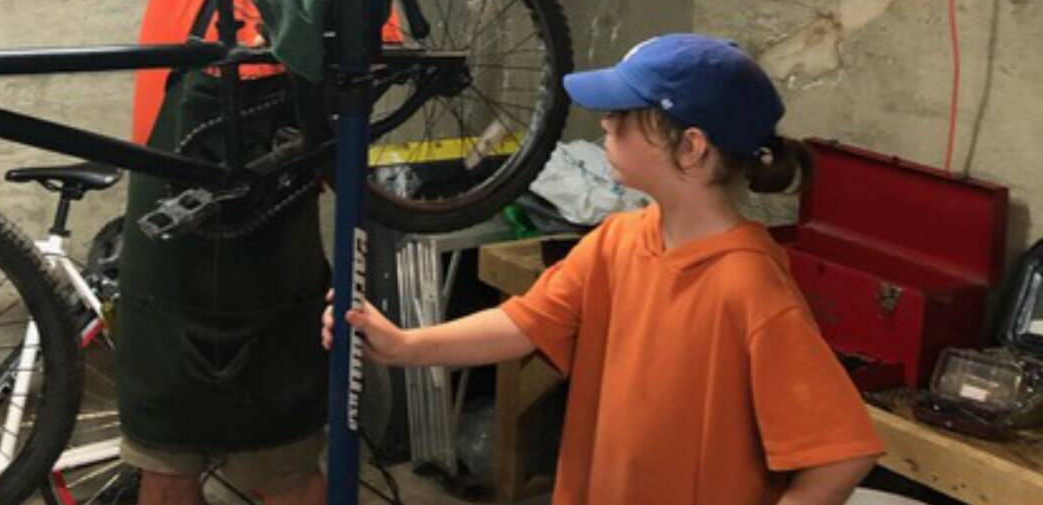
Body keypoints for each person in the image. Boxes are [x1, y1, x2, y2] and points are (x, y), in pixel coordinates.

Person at [325, 33, 884, 505]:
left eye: (622, 117)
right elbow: (524, 324)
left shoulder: (749, 286)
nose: (606, 128)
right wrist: (404, 345)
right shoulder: (620, 239)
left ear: (690, 147)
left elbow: (844, 455)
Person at [112, 0, 375, 505]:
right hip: (166, 244)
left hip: (276, 254)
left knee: (286, 469)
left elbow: (363, 90)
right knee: (165, 467)